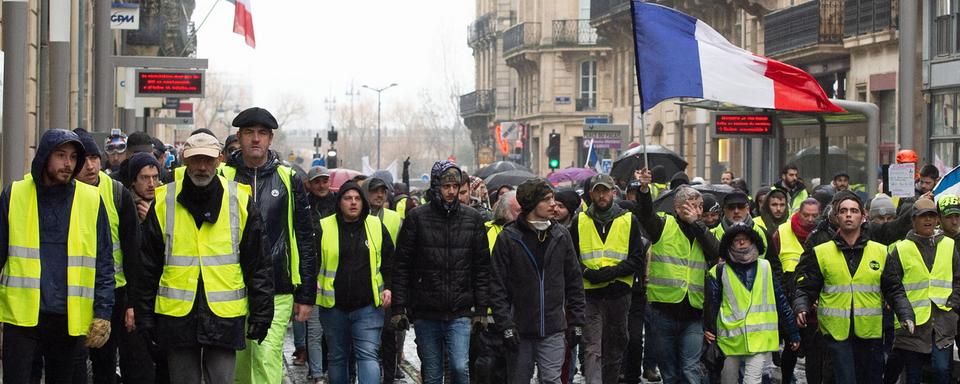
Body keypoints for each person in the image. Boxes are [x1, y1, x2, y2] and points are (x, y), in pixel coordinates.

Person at [134, 132, 274, 384]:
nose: (201, 166)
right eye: (196, 159)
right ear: (185, 160)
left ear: (219, 160)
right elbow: (147, 265)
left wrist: (262, 313)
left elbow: (258, 263)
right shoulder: (164, 201)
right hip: (177, 315)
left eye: (207, 160)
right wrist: (144, 315)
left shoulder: (240, 201)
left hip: (223, 316)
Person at [0, 129, 114, 384]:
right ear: (44, 157)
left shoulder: (91, 199)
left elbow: (105, 262)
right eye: (61, 155)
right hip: (22, 319)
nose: (68, 164)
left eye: (74, 157)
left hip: (69, 319)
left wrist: (103, 313)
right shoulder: (14, 194)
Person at [220, 107, 318, 383]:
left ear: (270, 139)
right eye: (249, 133)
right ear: (239, 137)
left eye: (261, 133)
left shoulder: (288, 179)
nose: (255, 139)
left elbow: (304, 237)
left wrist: (306, 294)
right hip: (232, 286)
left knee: (265, 356)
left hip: (278, 286)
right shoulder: (223, 177)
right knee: (238, 362)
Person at [792, 191, 915, 384]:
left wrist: (906, 314)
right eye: (843, 211)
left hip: (870, 333)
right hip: (835, 334)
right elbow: (806, 286)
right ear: (836, 216)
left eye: (854, 211)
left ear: (863, 216)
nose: (849, 215)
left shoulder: (879, 252)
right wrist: (801, 306)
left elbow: (894, 289)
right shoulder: (822, 252)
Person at [391, 160, 492, 384]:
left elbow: (481, 268)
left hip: (460, 309)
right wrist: (399, 307)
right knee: (433, 372)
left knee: (459, 366)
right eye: (446, 186)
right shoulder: (417, 218)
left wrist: (481, 309)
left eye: (455, 187)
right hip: (427, 309)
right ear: (436, 186)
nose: (451, 191)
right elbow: (402, 265)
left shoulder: (472, 219)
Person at [487, 178, 586, 384]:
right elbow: (497, 287)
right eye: (547, 199)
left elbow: (574, 281)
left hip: (553, 329)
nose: (553, 204)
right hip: (519, 330)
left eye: (553, 199)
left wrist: (576, 321)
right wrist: (505, 324)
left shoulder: (561, 235)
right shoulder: (509, 238)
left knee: (552, 380)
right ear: (532, 204)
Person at [73, 129, 151, 384]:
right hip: (71, 294)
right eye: (82, 159)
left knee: (106, 363)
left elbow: (132, 252)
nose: (90, 165)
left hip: (114, 294)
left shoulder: (116, 193)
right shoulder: (62, 192)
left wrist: (131, 303)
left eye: (94, 158)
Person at [633, 181, 720, 384]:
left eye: (699, 206)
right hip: (663, 311)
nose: (696, 210)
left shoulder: (704, 231)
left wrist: (696, 224)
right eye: (690, 205)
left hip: (694, 313)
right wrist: (644, 191)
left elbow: (716, 252)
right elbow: (645, 215)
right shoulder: (664, 226)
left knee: (691, 370)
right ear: (677, 208)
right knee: (670, 372)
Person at [570, 174, 649, 384]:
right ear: (591, 194)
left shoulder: (627, 219)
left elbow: (637, 259)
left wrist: (612, 272)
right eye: (598, 191)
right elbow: (570, 259)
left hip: (618, 293)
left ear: (613, 192)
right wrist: (587, 273)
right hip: (590, 293)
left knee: (616, 345)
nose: (602, 195)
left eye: (605, 191)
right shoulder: (580, 221)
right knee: (592, 347)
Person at [315, 181, 394, 384]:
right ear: (339, 202)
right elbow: (312, 262)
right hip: (333, 306)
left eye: (357, 198)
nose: (353, 203)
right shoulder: (324, 227)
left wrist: (389, 287)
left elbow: (390, 260)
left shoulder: (376, 226)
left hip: (368, 306)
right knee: (337, 357)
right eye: (348, 198)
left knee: (367, 355)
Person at [704, 224, 800, 384]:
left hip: (760, 337)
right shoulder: (719, 271)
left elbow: (781, 301)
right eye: (736, 240)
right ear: (729, 244)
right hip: (729, 338)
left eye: (745, 239)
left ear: (753, 241)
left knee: (753, 380)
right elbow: (711, 305)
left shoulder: (765, 267)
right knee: (728, 380)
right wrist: (708, 329)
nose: (742, 243)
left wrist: (793, 333)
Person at [881, 198, 960, 384]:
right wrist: (902, 310)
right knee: (913, 375)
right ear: (913, 220)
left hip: (942, 321)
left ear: (937, 219)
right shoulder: (901, 249)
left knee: (942, 370)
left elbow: (958, 278)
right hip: (912, 324)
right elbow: (892, 285)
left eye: (932, 216)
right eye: (923, 216)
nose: (928, 220)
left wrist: (953, 302)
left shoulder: (949, 245)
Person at [769, 198, 821, 384]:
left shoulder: (823, 234)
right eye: (806, 215)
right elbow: (773, 263)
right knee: (791, 348)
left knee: (814, 352)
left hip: (814, 301)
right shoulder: (782, 232)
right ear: (798, 213)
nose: (810, 219)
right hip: (788, 299)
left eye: (815, 215)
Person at [712, 191, 772, 262]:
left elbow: (774, 266)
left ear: (747, 209)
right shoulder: (712, 234)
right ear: (724, 210)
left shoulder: (763, 233)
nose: (736, 211)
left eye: (740, 207)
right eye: (731, 207)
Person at [125, 152, 162, 223]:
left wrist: (151, 220)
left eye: (155, 177)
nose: (151, 184)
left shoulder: (167, 201)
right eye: (145, 177)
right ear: (133, 180)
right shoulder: (124, 204)